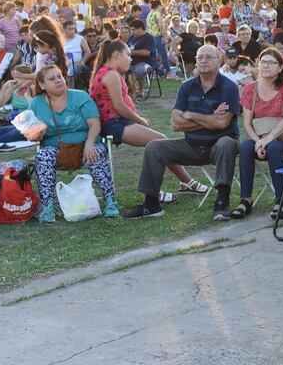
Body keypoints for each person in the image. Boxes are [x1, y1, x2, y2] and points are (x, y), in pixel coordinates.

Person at [123, 44, 241, 221]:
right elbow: (176, 124)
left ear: (219, 61)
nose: (203, 61)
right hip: (191, 145)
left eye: (208, 57)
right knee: (154, 147)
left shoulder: (229, 88)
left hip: (218, 146)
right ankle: (151, 205)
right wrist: (210, 117)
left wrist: (191, 115)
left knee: (227, 142)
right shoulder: (186, 87)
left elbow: (222, 123)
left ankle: (222, 201)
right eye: (200, 58)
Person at [89, 40, 206, 201]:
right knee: (160, 143)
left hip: (117, 122)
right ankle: (157, 191)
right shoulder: (111, 75)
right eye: (128, 55)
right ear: (116, 55)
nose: (131, 59)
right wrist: (140, 120)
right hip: (114, 125)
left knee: (160, 144)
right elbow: (119, 106)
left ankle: (186, 182)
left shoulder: (107, 72)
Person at [29, 65, 119, 222]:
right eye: (52, 79)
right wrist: (36, 134)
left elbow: (95, 124)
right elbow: (31, 131)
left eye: (59, 76)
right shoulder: (36, 103)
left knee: (95, 153)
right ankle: (48, 206)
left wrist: (89, 144)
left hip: (85, 144)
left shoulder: (80, 96)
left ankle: (110, 201)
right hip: (55, 149)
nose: (58, 80)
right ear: (42, 85)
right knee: (42, 156)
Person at [234, 47, 283, 221]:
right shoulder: (250, 89)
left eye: (271, 63)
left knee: (274, 148)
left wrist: (269, 139)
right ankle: (245, 200)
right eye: (263, 62)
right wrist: (258, 141)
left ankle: (281, 200)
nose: (266, 66)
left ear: (280, 67)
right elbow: (247, 123)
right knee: (246, 146)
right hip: (259, 137)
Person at [127, 20, 156, 98]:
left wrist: (130, 52)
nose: (131, 32)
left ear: (140, 28)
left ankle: (140, 91)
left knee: (138, 71)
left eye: (133, 30)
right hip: (131, 62)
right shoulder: (132, 37)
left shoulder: (149, 38)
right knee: (120, 70)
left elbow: (146, 52)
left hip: (146, 63)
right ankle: (128, 91)